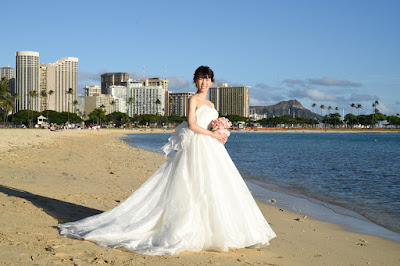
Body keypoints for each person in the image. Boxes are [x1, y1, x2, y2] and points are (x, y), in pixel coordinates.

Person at [58, 66, 276, 255]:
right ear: (195, 80)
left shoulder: (210, 103)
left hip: (213, 148)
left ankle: (224, 231)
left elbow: (209, 124)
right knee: (192, 185)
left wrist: (221, 132)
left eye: (208, 78)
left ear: (211, 81)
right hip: (199, 146)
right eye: (200, 78)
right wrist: (213, 134)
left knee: (217, 187)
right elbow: (191, 124)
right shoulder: (193, 100)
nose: (204, 82)